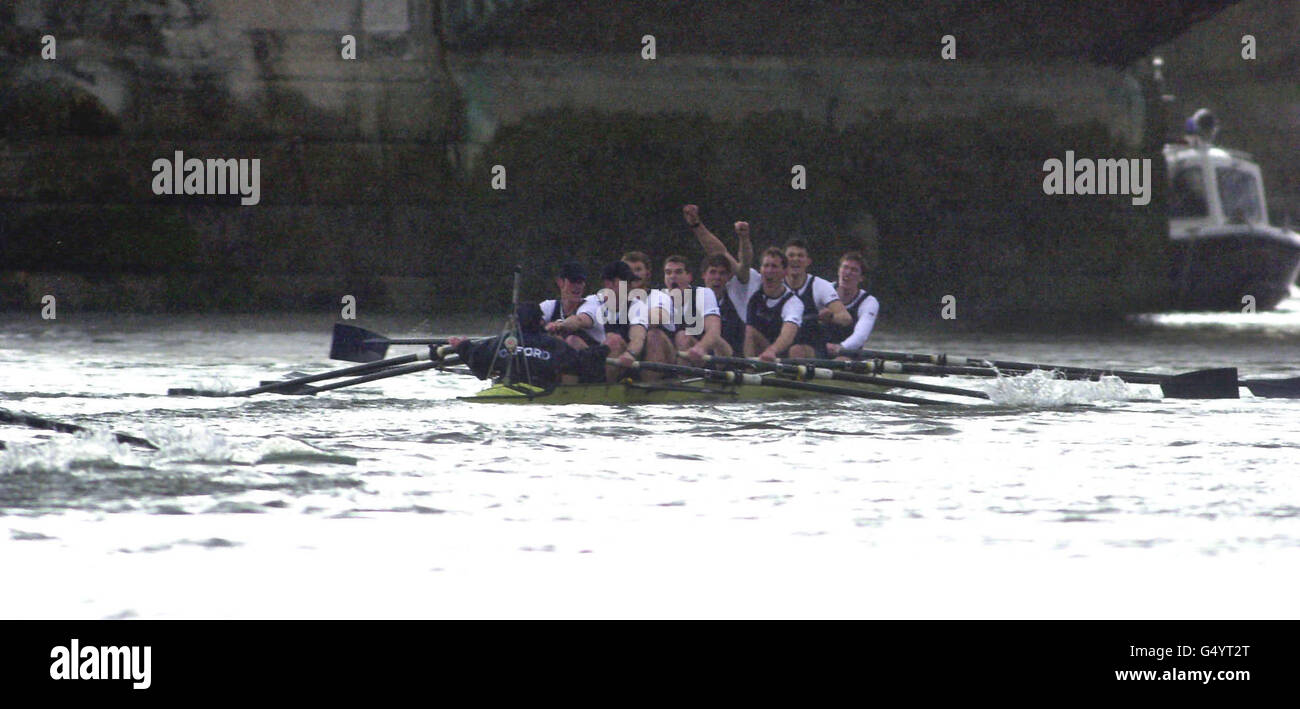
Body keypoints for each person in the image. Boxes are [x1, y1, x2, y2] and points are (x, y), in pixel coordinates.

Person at [448, 305, 580, 390]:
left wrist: (462, 346)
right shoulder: (555, 344)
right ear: (541, 321)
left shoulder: (502, 341)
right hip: (543, 393)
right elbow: (576, 364)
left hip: (504, 394)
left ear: (515, 322)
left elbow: (477, 360)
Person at [599, 260, 675, 382]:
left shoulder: (655, 298)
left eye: (638, 269)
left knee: (653, 335)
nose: (631, 283)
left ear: (648, 273)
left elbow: (650, 323)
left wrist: (631, 350)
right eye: (627, 279)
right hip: (621, 353)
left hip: (651, 352)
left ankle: (648, 390)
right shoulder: (595, 301)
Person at [783, 239, 850, 359]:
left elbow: (845, 318)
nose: (795, 259)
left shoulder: (820, 286)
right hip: (780, 342)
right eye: (791, 255)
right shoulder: (774, 283)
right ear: (783, 261)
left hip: (810, 346)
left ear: (808, 261)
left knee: (796, 350)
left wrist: (831, 317)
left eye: (800, 256)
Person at [744, 247, 813, 362]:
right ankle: (749, 371)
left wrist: (772, 351)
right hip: (757, 347)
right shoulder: (752, 286)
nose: (769, 271)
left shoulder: (793, 302)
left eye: (774, 266)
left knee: (749, 331)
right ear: (760, 270)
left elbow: (788, 333)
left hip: (781, 353)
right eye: (766, 266)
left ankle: (750, 370)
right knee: (748, 331)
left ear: (785, 272)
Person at [660, 254, 726, 363]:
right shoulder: (658, 297)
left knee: (683, 336)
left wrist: (701, 347)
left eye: (678, 272)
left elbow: (714, 331)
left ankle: (685, 378)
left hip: (706, 353)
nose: (672, 276)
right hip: (674, 354)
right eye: (668, 273)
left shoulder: (704, 293)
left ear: (689, 277)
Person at [823, 251, 881, 357]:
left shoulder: (869, 302)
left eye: (854, 270)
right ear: (839, 271)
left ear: (861, 278)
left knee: (842, 359)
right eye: (845, 267)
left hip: (848, 352)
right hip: (821, 348)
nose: (848, 273)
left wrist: (841, 347)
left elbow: (861, 335)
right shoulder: (823, 290)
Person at [539, 261, 605, 349]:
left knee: (572, 341)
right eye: (573, 281)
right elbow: (530, 323)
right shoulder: (549, 306)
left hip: (591, 360)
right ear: (560, 282)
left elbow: (578, 320)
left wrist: (559, 325)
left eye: (580, 282)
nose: (577, 286)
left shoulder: (591, 305)